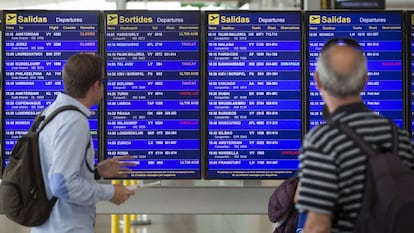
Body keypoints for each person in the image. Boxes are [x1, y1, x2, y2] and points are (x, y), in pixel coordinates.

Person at [295, 37, 414, 232]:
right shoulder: (398, 136)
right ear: (365, 80)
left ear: (317, 80)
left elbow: (317, 227)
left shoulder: (322, 141)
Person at [31, 53, 135, 233]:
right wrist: (110, 192)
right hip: (66, 228)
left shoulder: (50, 113)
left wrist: (94, 171)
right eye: (103, 82)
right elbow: (62, 185)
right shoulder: (74, 121)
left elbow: (53, 170)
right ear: (96, 86)